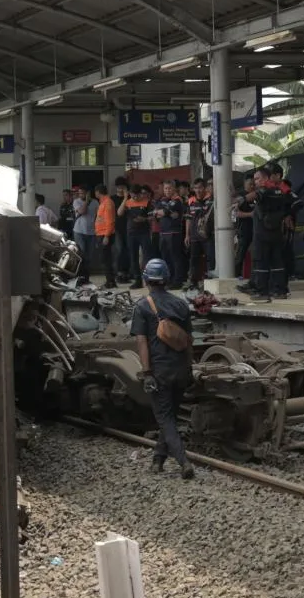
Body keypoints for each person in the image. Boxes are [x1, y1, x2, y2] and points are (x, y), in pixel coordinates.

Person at [130, 258, 195, 480]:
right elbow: (188, 340)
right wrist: (189, 368)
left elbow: (141, 342)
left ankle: (184, 462)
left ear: (146, 280)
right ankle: (158, 460)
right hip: (180, 369)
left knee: (165, 420)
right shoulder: (181, 304)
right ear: (166, 279)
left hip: (159, 371)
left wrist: (147, 373)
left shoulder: (142, 306)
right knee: (169, 417)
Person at [248, 167, 291, 301]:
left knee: (261, 262)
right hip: (276, 232)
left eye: (257, 178)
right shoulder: (280, 190)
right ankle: (280, 291)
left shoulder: (264, 190)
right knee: (277, 262)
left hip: (262, 233)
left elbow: (256, 196)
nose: (255, 182)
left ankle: (262, 292)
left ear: (266, 178)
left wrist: (241, 200)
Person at [153, 181, 186, 288]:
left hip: (174, 233)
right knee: (165, 258)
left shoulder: (177, 200)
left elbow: (164, 212)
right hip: (163, 233)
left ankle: (177, 281)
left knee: (175, 257)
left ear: (174, 189)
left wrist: (164, 213)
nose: (167, 190)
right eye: (166, 188)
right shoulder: (162, 200)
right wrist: (165, 213)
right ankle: (169, 280)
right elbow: (155, 213)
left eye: (170, 188)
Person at [122, 185, 155, 287]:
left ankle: (149, 279)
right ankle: (137, 280)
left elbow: (152, 216)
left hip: (144, 233)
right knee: (133, 257)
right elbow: (119, 213)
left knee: (147, 257)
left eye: (137, 195)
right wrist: (125, 198)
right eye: (133, 195)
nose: (135, 197)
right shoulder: (128, 202)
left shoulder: (146, 202)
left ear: (141, 193)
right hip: (131, 233)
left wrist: (144, 219)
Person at [185, 179, 212, 291]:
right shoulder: (191, 201)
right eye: (195, 188)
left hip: (208, 236)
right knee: (194, 260)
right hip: (194, 236)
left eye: (200, 187)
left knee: (210, 259)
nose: (198, 190)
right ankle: (193, 283)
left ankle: (210, 282)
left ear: (205, 188)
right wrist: (187, 235)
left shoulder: (211, 199)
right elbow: (188, 219)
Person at [93, 184, 118, 288]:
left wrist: (107, 236)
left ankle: (110, 282)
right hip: (102, 234)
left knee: (106, 259)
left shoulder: (107, 203)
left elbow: (110, 221)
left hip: (105, 235)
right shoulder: (104, 203)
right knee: (105, 259)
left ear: (98, 192)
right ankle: (110, 281)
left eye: (95, 192)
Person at [73, 187, 99, 283]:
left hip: (92, 232)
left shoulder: (95, 202)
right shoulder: (76, 201)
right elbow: (83, 211)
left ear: (88, 193)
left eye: (83, 193)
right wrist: (87, 201)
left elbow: (98, 215)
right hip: (79, 231)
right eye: (79, 193)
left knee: (89, 256)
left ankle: (87, 277)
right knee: (81, 254)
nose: (81, 195)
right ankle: (81, 277)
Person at [233, 176, 256, 281]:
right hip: (244, 229)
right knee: (241, 253)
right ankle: (236, 276)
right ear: (244, 183)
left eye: (253, 184)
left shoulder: (257, 194)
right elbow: (235, 213)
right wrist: (250, 214)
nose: (252, 186)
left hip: (256, 229)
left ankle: (254, 276)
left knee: (256, 254)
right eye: (250, 183)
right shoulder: (240, 197)